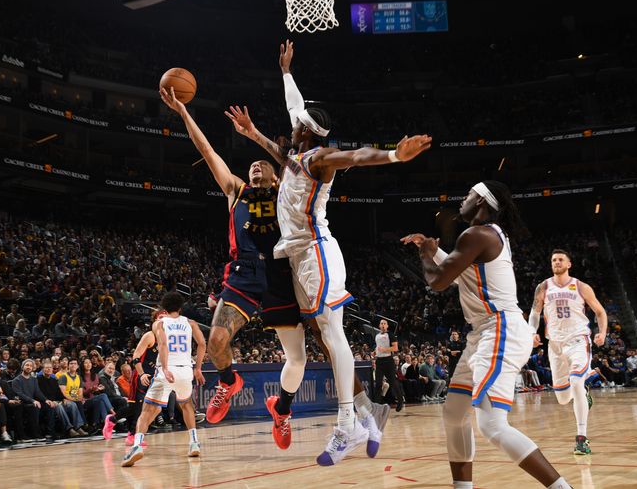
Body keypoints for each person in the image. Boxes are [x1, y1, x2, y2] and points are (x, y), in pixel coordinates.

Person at [231, 39, 431, 465]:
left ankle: (347, 425)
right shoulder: (297, 152)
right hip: (298, 257)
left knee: (332, 333)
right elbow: (292, 112)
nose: (291, 120)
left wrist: (395, 154)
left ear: (305, 128)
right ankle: (367, 414)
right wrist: (284, 73)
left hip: (318, 252)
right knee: (325, 338)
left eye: (296, 121)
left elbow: (356, 156)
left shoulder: (320, 156)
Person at [160, 86, 307, 451]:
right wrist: (182, 112)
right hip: (242, 274)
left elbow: (295, 165)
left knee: (302, 353)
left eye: (262, 166)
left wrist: (257, 135)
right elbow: (207, 150)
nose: (255, 167)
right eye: (252, 166)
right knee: (216, 342)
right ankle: (228, 381)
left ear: (274, 178)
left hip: (280, 276)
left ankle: (283, 410)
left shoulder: (284, 195)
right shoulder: (236, 191)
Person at [402, 180, 571, 489]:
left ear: (481, 201)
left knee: (492, 425)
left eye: (468, 195)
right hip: (485, 334)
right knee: (454, 413)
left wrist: (427, 255)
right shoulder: (487, 236)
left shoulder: (476, 234)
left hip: (500, 330)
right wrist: (434, 249)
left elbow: (438, 282)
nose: (462, 200)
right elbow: (462, 277)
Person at [528, 249, 608, 455]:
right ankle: (583, 388)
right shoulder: (543, 286)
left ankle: (582, 438)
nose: (556, 262)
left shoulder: (581, 286)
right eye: (553, 259)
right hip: (554, 345)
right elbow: (535, 312)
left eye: (560, 259)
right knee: (563, 398)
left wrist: (602, 333)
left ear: (569, 264)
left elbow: (600, 311)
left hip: (578, 340)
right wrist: (531, 333)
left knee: (575, 381)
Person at [121, 292, 206, 467]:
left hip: (167, 370)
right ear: (180, 308)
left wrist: (166, 368)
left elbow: (163, 344)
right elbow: (203, 344)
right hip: (186, 370)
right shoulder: (191, 323)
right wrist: (198, 368)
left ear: (164, 309)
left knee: (146, 411)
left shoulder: (159, 323)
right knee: (187, 405)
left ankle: (137, 446)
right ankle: (194, 442)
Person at [373, 319, 403, 411]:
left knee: (393, 382)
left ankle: (400, 400)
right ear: (379, 325)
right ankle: (377, 405)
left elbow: (395, 348)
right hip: (379, 361)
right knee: (378, 383)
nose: (382, 325)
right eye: (381, 323)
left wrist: (384, 350)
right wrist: (375, 352)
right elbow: (378, 347)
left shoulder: (391, 335)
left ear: (387, 326)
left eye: (384, 323)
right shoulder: (377, 336)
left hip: (388, 361)